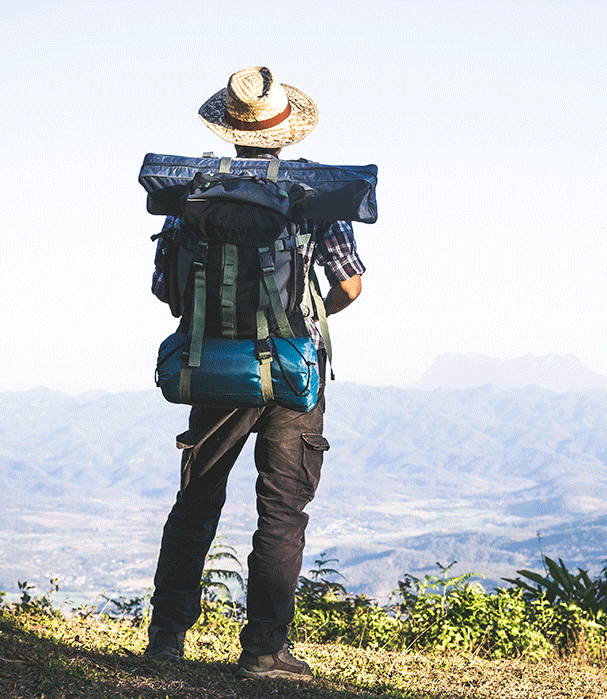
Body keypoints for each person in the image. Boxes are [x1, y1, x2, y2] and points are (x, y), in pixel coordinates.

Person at [144, 67, 364, 681]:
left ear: (231, 131)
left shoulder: (189, 198)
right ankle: (265, 650)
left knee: (196, 500)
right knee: (283, 508)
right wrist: (305, 314)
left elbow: (168, 289)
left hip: (214, 368)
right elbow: (349, 284)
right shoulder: (312, 197)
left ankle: (166, 639)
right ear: (285, 133)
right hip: (296, 371)